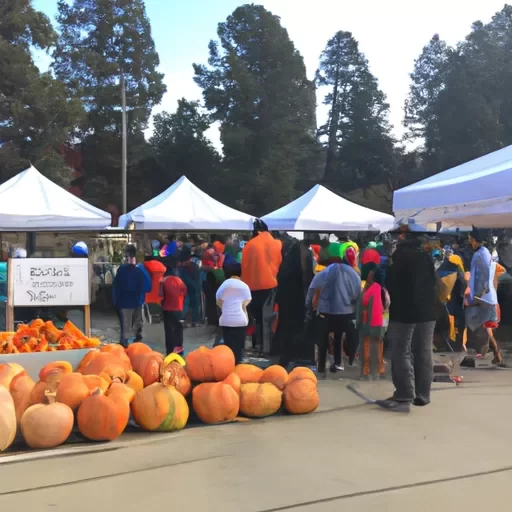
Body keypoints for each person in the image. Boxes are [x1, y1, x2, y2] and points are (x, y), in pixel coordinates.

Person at [380, 226, 437, 412]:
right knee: (423, 351)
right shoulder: (426, 258)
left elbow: (390, 284)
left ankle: (404, 395)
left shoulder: (399, 258)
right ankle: (423, 394)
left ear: (402, 238)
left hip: (404, 313)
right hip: (428, 312)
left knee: (401, 351)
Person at [306, 242, 361, 376]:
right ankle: (338, 363)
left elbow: (312, 291)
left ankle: (321, 366)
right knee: (338, 337)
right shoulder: (353, 274)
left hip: (326, 312)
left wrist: (308, 308)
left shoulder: (324, 273)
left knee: (323, 340)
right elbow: (358, 294)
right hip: (346, 312)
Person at [241, 220, 282, 351]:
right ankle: (267, 346)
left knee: (256, 317)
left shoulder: (250, 245)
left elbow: (244, 266)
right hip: (271, 285)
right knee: (268, 318)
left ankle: (257, 343)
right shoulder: (276, 243)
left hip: (251, 286)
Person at [465, 228, 503, 364]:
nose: (469, 241)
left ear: (475, 240)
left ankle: (472, 356)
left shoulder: (481, 254)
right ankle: (496, 355)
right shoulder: (483, 253)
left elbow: (484, 276)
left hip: (483, 297)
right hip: (485, 296)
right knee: (484, 326)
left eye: (470, 238)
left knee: (476, 324)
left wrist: (479, 294)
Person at [358, 262, 388, 380]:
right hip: (382, 323)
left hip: (368, 322)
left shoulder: (368, 290)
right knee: (378, 345)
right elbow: (386, 307)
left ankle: (366, 370)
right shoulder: (384, 291)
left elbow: (362, 304)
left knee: (366, 344)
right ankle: (379, 369)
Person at [216, 263, 252, 363]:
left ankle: (229, 367)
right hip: (240, 321)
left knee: (228, 348)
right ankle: (238, 365)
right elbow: (245, 304)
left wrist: (226, 310)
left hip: (225, 320)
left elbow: (218, 302)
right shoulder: (244, 286)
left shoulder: (223, 286)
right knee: (239, 349)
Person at [112, 245, 146, 348]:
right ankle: (134, 346)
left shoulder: (122, 270)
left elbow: (116, 286)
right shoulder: (140, 271)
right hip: (135, 302)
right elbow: (143, 287)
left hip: (123, 302)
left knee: (125, 325)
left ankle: (125, 345)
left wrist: (115, 301)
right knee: (133, 324)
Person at [160, 260, 187, 355]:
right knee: (178, 330)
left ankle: (170, 351)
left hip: (167, 309)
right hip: (179, 309)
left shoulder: (163, 281)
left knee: (169, 331)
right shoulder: (179, 280)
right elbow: (185, 292)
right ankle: (179, 350)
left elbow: (161, 295)